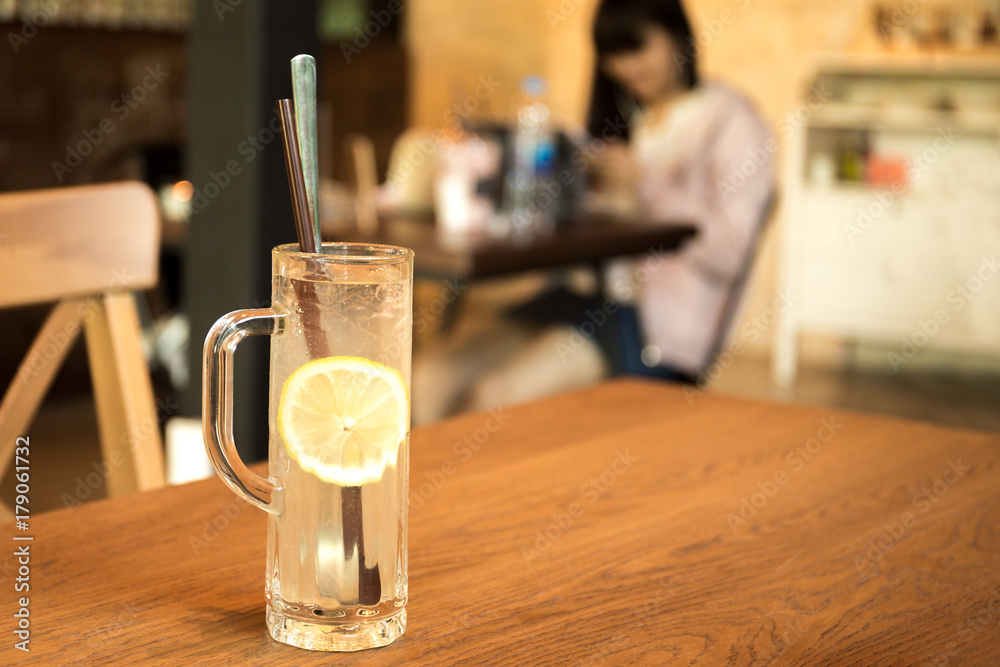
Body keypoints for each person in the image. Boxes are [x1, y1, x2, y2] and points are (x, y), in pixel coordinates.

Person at [412, 0, 774, 423]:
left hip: (650, 329)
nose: (625, 65)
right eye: (613, 53)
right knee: (428, 378)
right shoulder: (626, 119)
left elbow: (730, 252)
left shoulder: (731, 121)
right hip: (580, 297)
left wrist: (644, 183)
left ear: (677, 37)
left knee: (494, 397)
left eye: (637, 47)